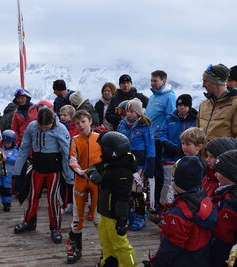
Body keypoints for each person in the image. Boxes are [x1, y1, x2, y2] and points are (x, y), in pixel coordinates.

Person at [13, 108, 72, 244]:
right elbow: (24, 148)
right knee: (33, 196)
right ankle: (28, 221)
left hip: (53, 170)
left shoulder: (60, 129)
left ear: (53, 122)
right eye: (41, 126)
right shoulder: (32, 127)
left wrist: (69, 176)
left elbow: (66, 154)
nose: (44, 129)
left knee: (53, 199)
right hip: (37, 167)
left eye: (47, 127)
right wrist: (17, 170)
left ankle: (55, 228)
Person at [147, 156, 217, 267]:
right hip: (201, 259)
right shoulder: (206, 200)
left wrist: (154, 263)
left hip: (182, 261)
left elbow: (170, 248)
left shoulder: (178, 213)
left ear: (177, 180)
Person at [87, 131, 138, 267]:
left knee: (120, 244)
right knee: (105, 240)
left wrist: (122, 220)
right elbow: (94, 167)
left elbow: (123, 198)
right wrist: (92, 173)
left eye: (103, 148)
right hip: (105, 212)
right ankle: (109, 262)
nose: (101, 151)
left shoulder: (122, 171)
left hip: (115, 215)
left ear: (112, 151)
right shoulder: (109, 163)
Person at [66, 110, 101, 264]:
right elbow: (72, 159)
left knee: (98, 218)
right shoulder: (74, 140)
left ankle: (105, 250)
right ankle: (76, 248)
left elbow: (104, 159)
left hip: (96, 181)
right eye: (77, 123)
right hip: (80, 180)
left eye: (83, 121)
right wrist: (81, 172)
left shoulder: (100, 138)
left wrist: (96, 171)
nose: (80, 125)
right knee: (77, 217)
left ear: (90, 121)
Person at [117, 98, 155, 231]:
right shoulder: (122, 124)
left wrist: (150, 165)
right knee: (126, 189)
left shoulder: (145, 126)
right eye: (128, 111)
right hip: (125, 162)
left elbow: (151, 146)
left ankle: (141, 215)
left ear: (138, 113)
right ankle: (129, 213)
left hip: (139, 164)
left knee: (136, 190)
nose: (129, 114)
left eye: (132, 111)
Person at [145, 70, 177, 211]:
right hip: (149, 138)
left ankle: (158, 201)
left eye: (155, 81)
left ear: (163, 81)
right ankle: (151, 200)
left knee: (158, 171)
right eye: (151, 80)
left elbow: (171, 119)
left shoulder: (169, 97)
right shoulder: (153, 96)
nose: (152, 83)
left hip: (158, 140)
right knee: (150, 170)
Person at [158, 94, 197, 206]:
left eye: (184, 105)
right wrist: (172, 147)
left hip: (188, 157)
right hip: (170, 155)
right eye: (179, 105)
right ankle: (164, 206)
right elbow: (162, 135)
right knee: (167, 182)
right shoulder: (169, 118)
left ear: (189, 106)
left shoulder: (195, 119)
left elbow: (198, 136)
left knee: (184, 183)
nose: (182, 107)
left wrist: (186, 148)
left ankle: (184, 206)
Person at [197, 64, 237, 150]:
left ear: (215, 82)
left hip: (224, 161)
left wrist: (228, 158)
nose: (203, 85)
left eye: (205, 81)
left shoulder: (235, 104)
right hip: (202, 160)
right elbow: (197, 134)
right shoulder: (203, 105)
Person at [210, 149, 237, 267]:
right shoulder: (224, 194)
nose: (215, 174)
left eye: (219, 172)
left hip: (226, 249)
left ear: (230, 174)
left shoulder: (232, 200)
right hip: (218, 244)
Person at [59, 104, 79, 214]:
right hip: (62, 157)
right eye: (61, 115)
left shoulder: (75, 128)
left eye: (65, 115)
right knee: (64, 182)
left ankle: (74, 203)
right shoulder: (58, 127)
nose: (62, 117)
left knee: (73, 182)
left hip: (72, 158)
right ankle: (67, 203)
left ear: (71, 116)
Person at [0, 129, 18, 213]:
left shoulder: (14, 150)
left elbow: (16, 159)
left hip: (8, 173)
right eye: (6, 142)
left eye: (9, 143)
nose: (7, 144)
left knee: (6, 188)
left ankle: (7, 203)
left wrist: (7, 158)